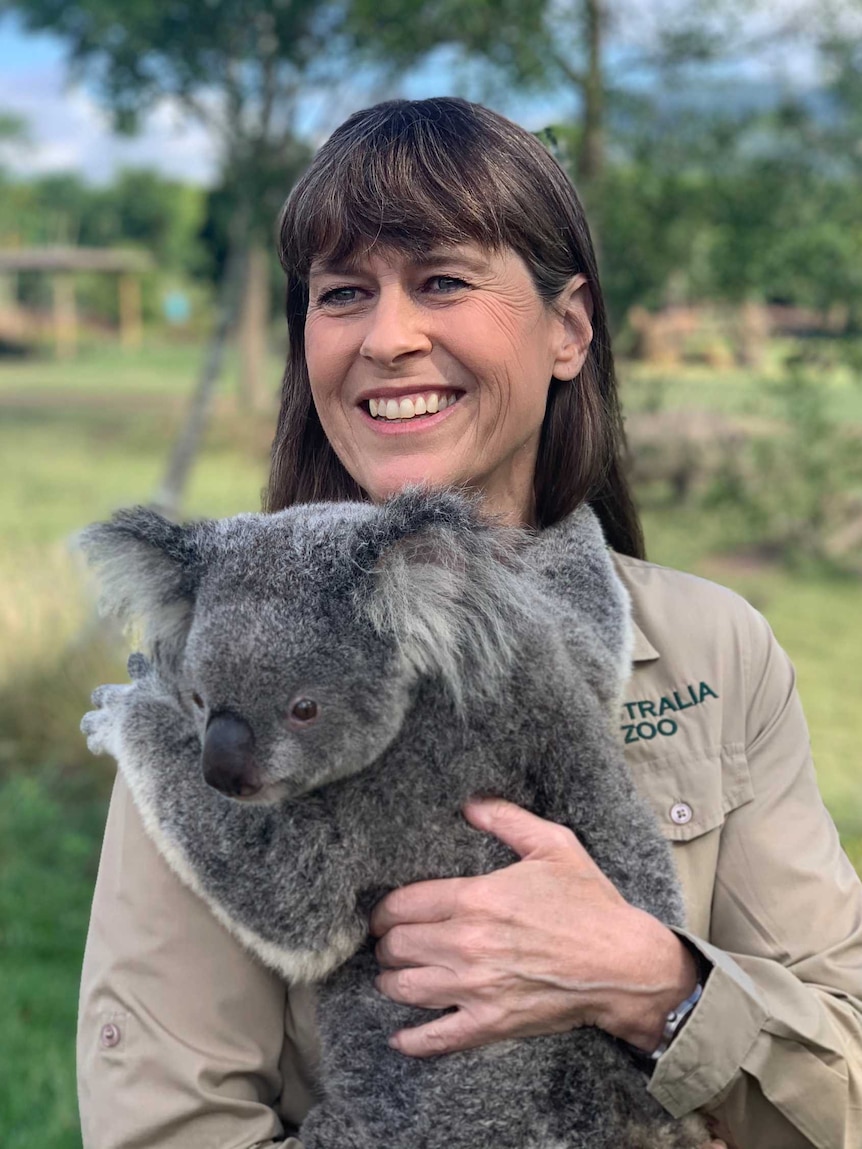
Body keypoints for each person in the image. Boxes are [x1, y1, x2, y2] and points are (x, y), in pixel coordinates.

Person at [77, 97, 862, 1149]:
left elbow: (843, 1080)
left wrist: (651, 984)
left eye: (442, 280)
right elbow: (168, 1124)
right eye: (343, 293)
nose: (389, 337)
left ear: (568, 328)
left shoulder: (715, 650)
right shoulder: (204, 684)